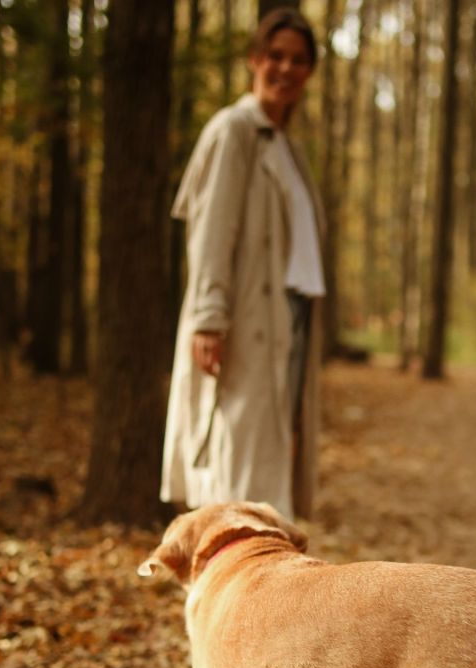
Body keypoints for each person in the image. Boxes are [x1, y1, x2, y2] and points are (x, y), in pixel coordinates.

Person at [161, 8, 325, 520]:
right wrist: (210, 317)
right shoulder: (234, 131)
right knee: (235, 470)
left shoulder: (289, 148)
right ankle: (231, 594)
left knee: (268, 469)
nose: (285, 69)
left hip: (288, 326)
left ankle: (264, 592)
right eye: (274, 56)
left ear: (309, 73)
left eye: (298, 60)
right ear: (254, 61)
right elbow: (211, 230)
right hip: (243, 326)